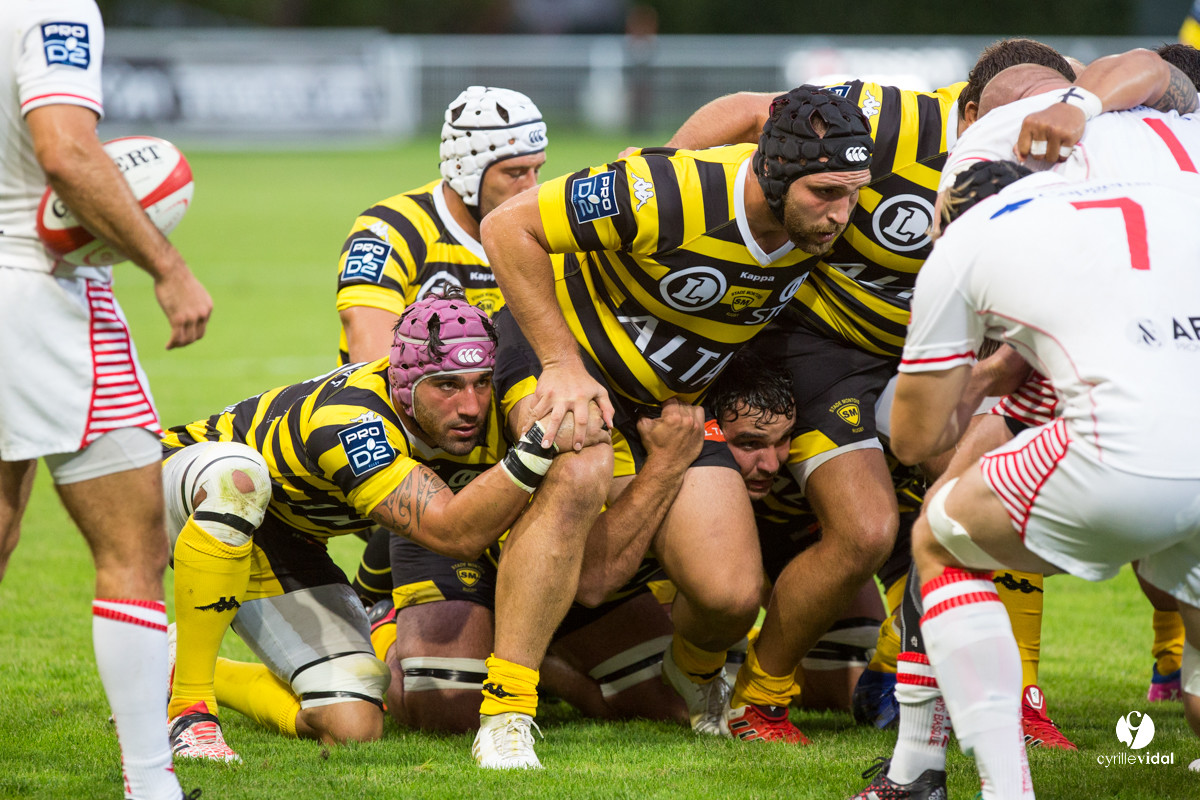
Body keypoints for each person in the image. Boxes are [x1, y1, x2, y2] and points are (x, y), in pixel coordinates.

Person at [661, 37, 1079, 745]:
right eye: (1014, 132)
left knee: (1000, 496)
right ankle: (759, 700)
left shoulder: (1071, 159)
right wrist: (671, 194)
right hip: (822, 346)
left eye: (1049, 137)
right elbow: (743, 113)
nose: (1034, 153)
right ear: (969, 112)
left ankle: (958, 684)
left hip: (937, 357)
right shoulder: (889, 119)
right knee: (866, 528)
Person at [476, 86, 873, 758]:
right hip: (574, 361)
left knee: (729, 595)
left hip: (674, 405)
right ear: (772, 172)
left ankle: (691, 677)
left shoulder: (825, 200)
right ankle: (507, 711)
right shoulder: (663, 191)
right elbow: (506, 226)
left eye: (853, 191)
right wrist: (560, 363)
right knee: (577, 467)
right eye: (825, 193)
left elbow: (762, 102)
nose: (841, 214)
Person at [161, 294, 605, 763]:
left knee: (352, 724)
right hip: (174, 484)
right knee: (238, 477)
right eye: (447, 386)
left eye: (480, 383)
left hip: (287, 540)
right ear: (404, 386)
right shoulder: (352, 422)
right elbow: (455, 535)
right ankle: (190, 711)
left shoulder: (477, 407)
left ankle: (172, 666)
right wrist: (534, 451)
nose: (471, 405)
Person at [890, 158, 1200, 799]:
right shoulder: (1152, 203)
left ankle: (998, 789)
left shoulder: (972, 243)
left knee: (939, 534)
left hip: (1129, 452)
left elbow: (915, 440)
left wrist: (984, 374)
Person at [0, 3, 212, 799]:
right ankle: (152, 784)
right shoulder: (52, 7)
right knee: (134, 550)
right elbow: (65, 150)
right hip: (39, 295)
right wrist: (166, 265)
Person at [368, 400, 701, 732]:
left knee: (669, 705)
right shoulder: (540, 377)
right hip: (467, 519)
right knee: (450, 714)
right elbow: (594, 580)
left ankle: (537, 659)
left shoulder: (667, 410)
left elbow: (591, 581)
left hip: (567, 555)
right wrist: (666, 465)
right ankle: (382, 628)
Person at [338, 85, 548, 607]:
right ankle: (372, 603)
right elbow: (371, 352)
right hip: (413, 443)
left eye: (538, 169)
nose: (532, 186)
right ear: (466, 171)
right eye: (515, 172)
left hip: (497, 439)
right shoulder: (393, 228)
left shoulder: (538, 228)